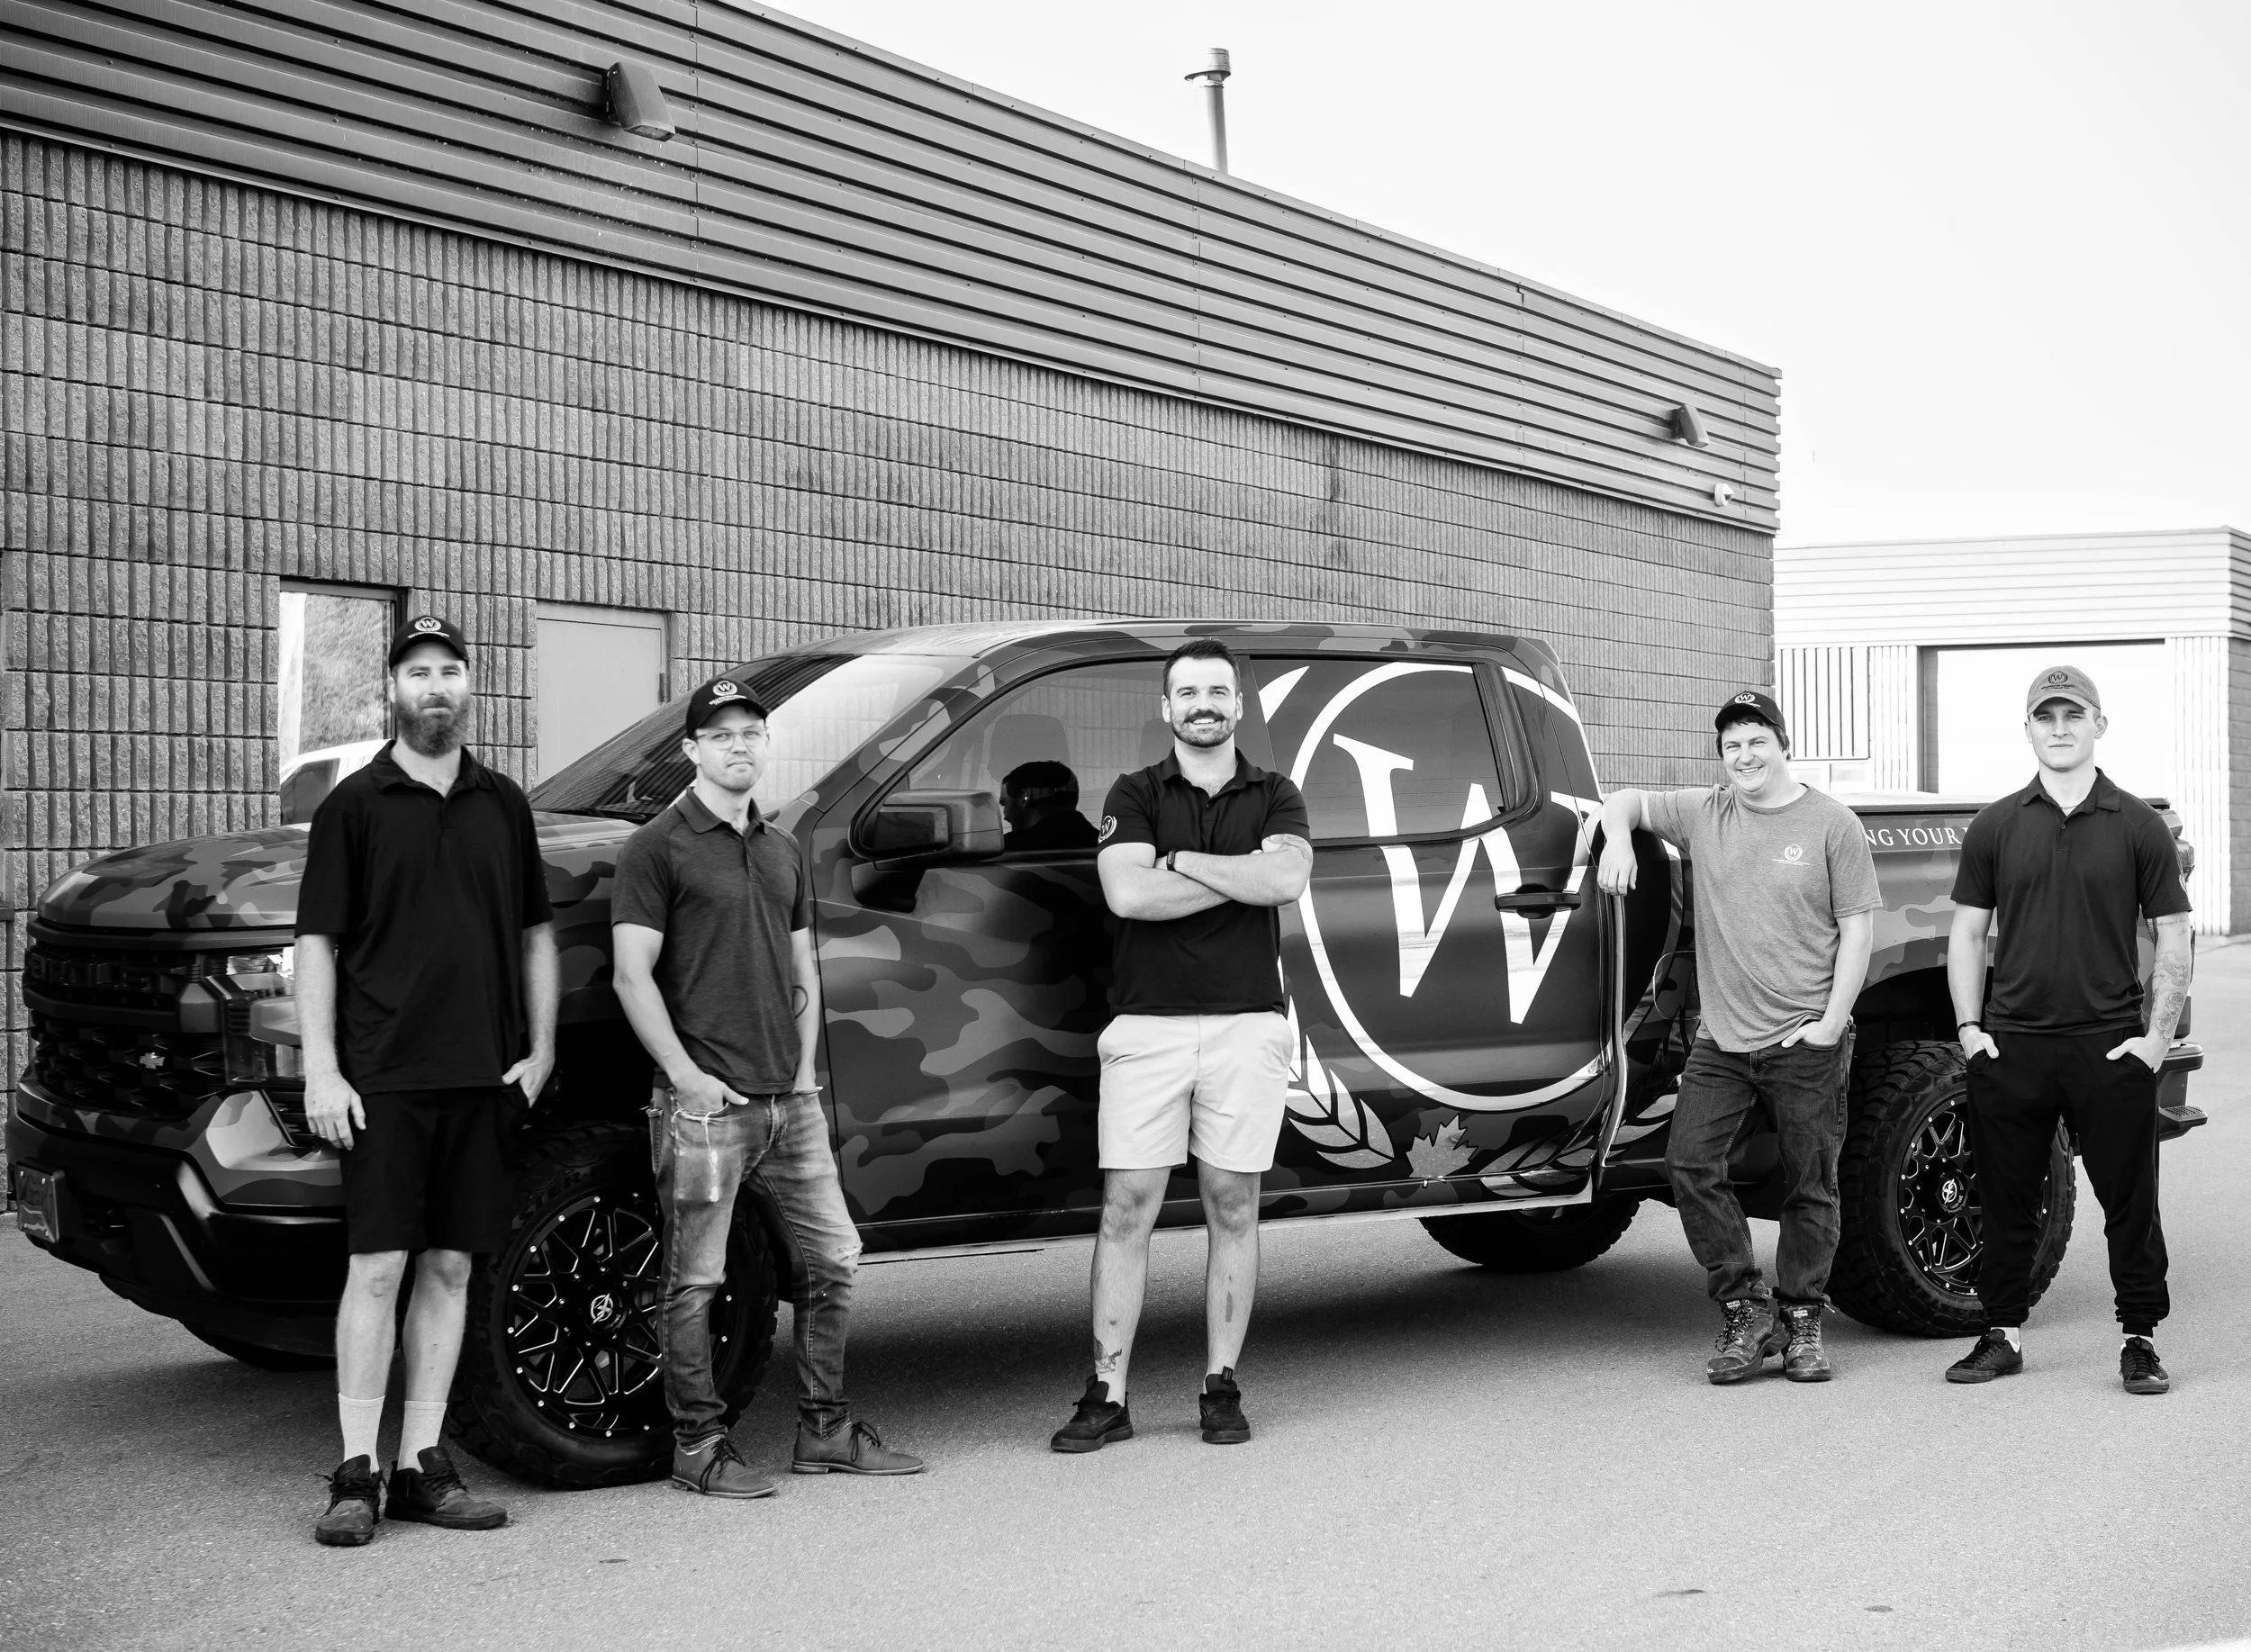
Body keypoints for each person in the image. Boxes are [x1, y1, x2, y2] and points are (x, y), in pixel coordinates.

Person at [611, 675, 923, 1497]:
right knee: (696, 1279)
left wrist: (804, 1071)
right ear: (691, 752)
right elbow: (631, 976)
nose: (739, 746)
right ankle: (698, 1444)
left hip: (790, 1105)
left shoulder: (780, 846)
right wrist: (686, 1078)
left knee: (833, 1261)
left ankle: (824, 1428)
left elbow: (802, 973)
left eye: (751, 732)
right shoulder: (658, 848)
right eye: (721, 735)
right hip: (707, 1107)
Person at [298, 615, 558, 1547]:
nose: (435, 685)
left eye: (450, 670)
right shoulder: (354, 806)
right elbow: (315, 946)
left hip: (485, 1077)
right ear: (393, 691)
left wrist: (544, 1048)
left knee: (449, 1265)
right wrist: (322, 1068)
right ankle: (355, 1471)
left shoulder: (503, 801)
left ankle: (421, 1463)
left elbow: (535, 933)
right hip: (383, 1080)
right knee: (377, 1268)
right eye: (418, 672)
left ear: (469, 685)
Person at [1051, 638, 1312, 1452]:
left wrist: (1187, 861)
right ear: (1166, 708)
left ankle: (1220, 1384)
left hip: (1246, 1023)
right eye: (1187, 692)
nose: (1203, 704)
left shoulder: (1277, 793)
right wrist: (1235, 872)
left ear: (1238, 706)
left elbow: (1285, 882)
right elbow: (1128, 892)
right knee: (1127, 1205)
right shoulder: (1131, 792)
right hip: (1147, 1027)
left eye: (1217, 692)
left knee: (1232, 1204)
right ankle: (1106, 1392)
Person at [1597, 690, 1879, 1384]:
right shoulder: (1708, 811)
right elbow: (1626, 798)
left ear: (1784, 744)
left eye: (1757, 741)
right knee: (1690, 1162)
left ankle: (1804, 1319)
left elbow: (1859, 930)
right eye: (1731, 746)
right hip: (1722, 1042)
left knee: (1809, 1184)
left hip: (1804, 1038)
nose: (1745, 756)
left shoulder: (1831, 823)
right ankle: (1747, 1307)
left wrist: (1831, 1023)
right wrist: (1617, 839)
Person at [1943, 665, 2192, 1393]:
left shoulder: (2138, 825)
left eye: (2072, 715)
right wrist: (1969, 1028)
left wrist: (2155, 1039)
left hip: (2110, 1043)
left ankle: (2140, 1337)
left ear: (2098, 725)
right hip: (2013, 1044)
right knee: (2008, 1198)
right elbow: (1967, 934)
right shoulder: (1996, 824)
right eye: (2045, 717)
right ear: (2028, 729)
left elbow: (2173, 936)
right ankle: (2002, 1333)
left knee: (2132, 1201)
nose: (2059, 728)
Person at [1001, 760, 1099, 853]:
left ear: (1024, 797)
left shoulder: (1006, 849)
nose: (1004, 813)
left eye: (1005, 803)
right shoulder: (1106, 845)